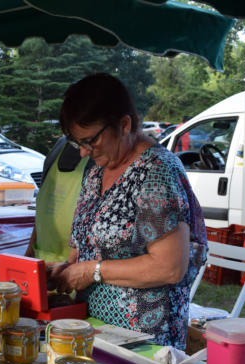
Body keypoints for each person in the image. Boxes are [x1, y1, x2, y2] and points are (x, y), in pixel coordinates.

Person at [48, 73, 207, 349]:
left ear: (124, 124)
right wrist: (68, 268)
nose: (84, 152)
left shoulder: (156, 172)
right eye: (78, 143)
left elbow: (169, 267)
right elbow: (86, 245)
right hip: (94, 331)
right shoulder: (97, 169)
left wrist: (92, 271)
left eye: (91, 140)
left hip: (143, 341)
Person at [25, 136, 92, 262]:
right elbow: (44, 203)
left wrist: (70, 263)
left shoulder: (98, 154)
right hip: (42, 254)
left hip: (76, 262)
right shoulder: (60, 144)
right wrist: (30, 248)